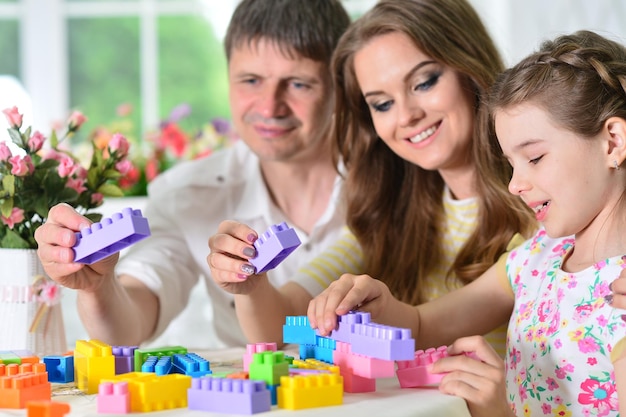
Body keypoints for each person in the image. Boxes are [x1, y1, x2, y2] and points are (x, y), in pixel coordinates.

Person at [308, 30, 626, 417]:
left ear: (612, 142)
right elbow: (425, 325)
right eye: (511, 164)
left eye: (535, 158)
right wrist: (381, 306)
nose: (514, 184)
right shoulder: (535, 258)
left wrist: (498, 412)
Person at [208, 0, 536, 352]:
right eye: (382, 104)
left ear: (469, 67)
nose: (407, 116)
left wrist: (389, 312)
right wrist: (251, 286)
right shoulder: (391, 215)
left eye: (424, 82)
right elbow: (281, 326)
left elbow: (424, 326)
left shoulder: (543, 205)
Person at [34, 0, 351, 348]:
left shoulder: (392, 183)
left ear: (340, 85)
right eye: (251, 80)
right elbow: (128, 329)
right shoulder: (187, 193)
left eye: (298, 84)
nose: (269, 106)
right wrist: (98, 287)